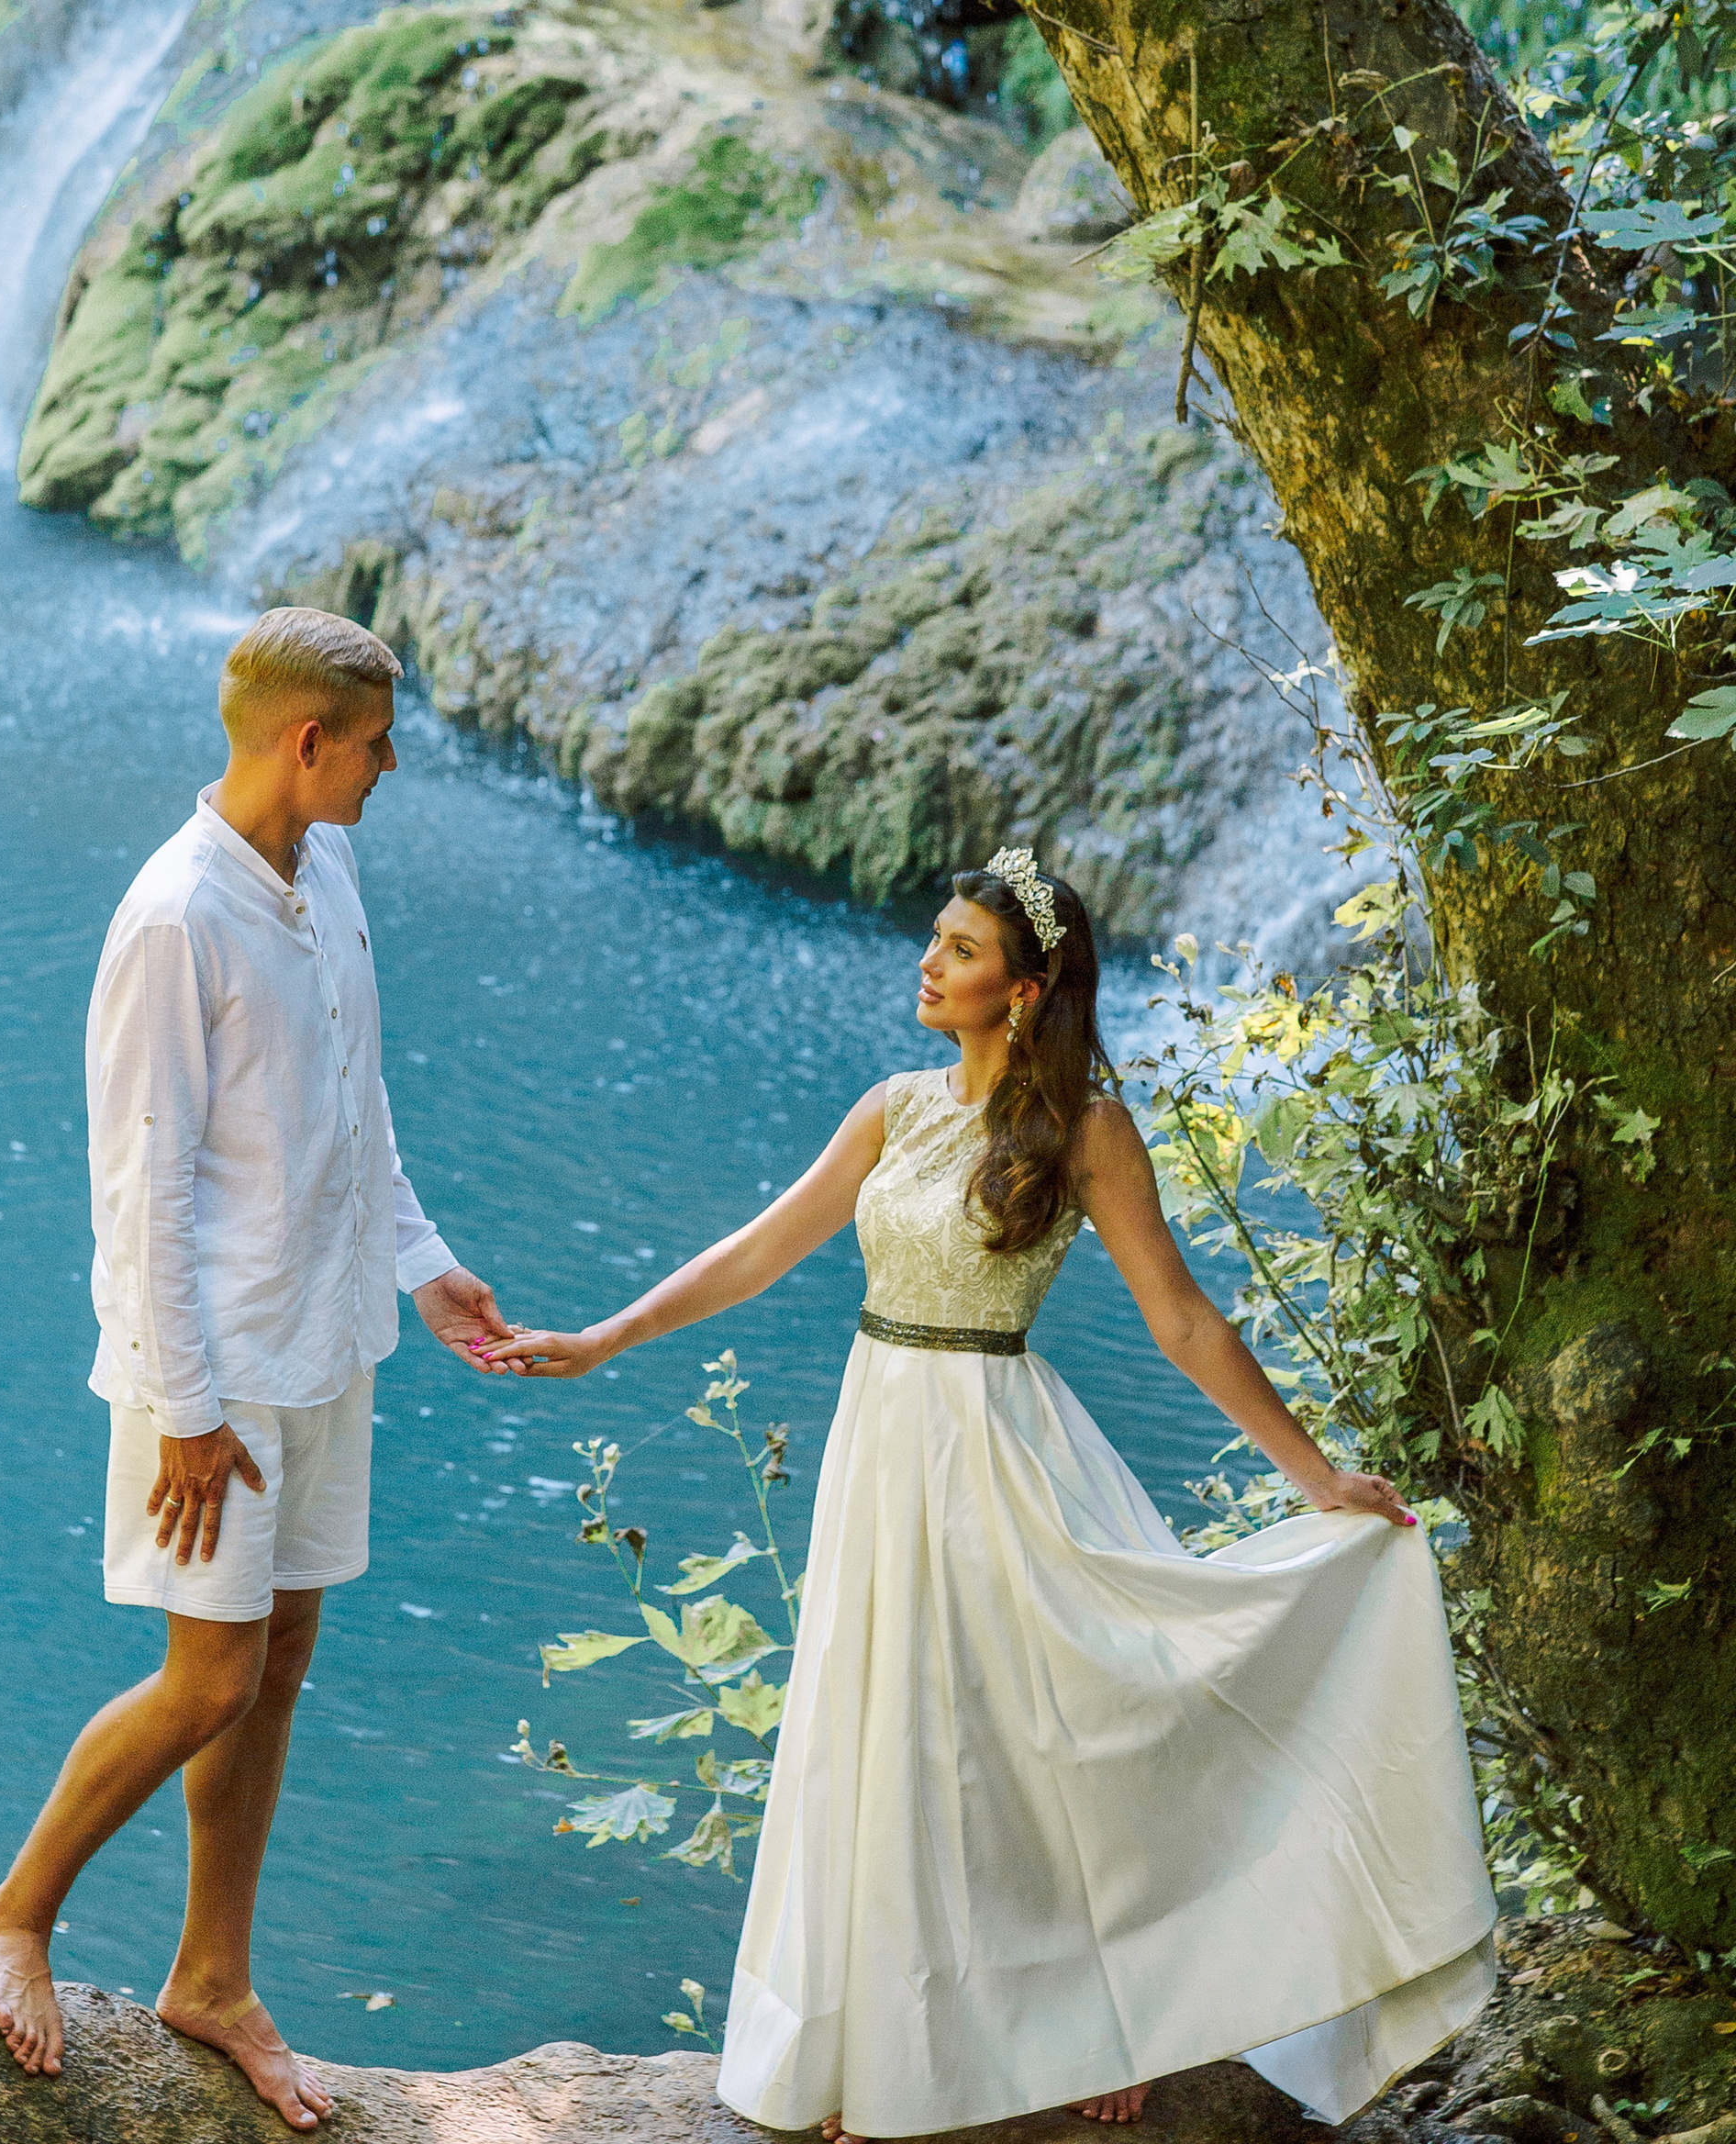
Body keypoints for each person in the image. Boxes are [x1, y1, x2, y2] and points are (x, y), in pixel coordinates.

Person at [473, 847, 1497, 2143]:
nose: (928, 960)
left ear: (1021, 990)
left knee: (1030, 1726)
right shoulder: (893, 1108)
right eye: (937, 940)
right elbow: (759, 1251)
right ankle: (873, 2044)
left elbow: (1179, 1319)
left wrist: (1317, 1479)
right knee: (890, 1722)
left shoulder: (1083, 1129)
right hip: (880, 1434)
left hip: (989, 1443)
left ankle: (1097, 2017)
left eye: (959, 949)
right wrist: (599, 1339)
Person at [0, 607, 508, 2133]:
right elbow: (140, 1187)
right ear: (305, 740)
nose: (395, 765)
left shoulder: (327, 868)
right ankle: (13, 1912)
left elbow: (353, 1096)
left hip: (330, 1338)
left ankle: (212, 1974)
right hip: (212, 1370)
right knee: (209, 1678)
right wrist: (186, 1414)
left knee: (280, 1667)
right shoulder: (172, 917)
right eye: (378, 742)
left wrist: (421, 1258)